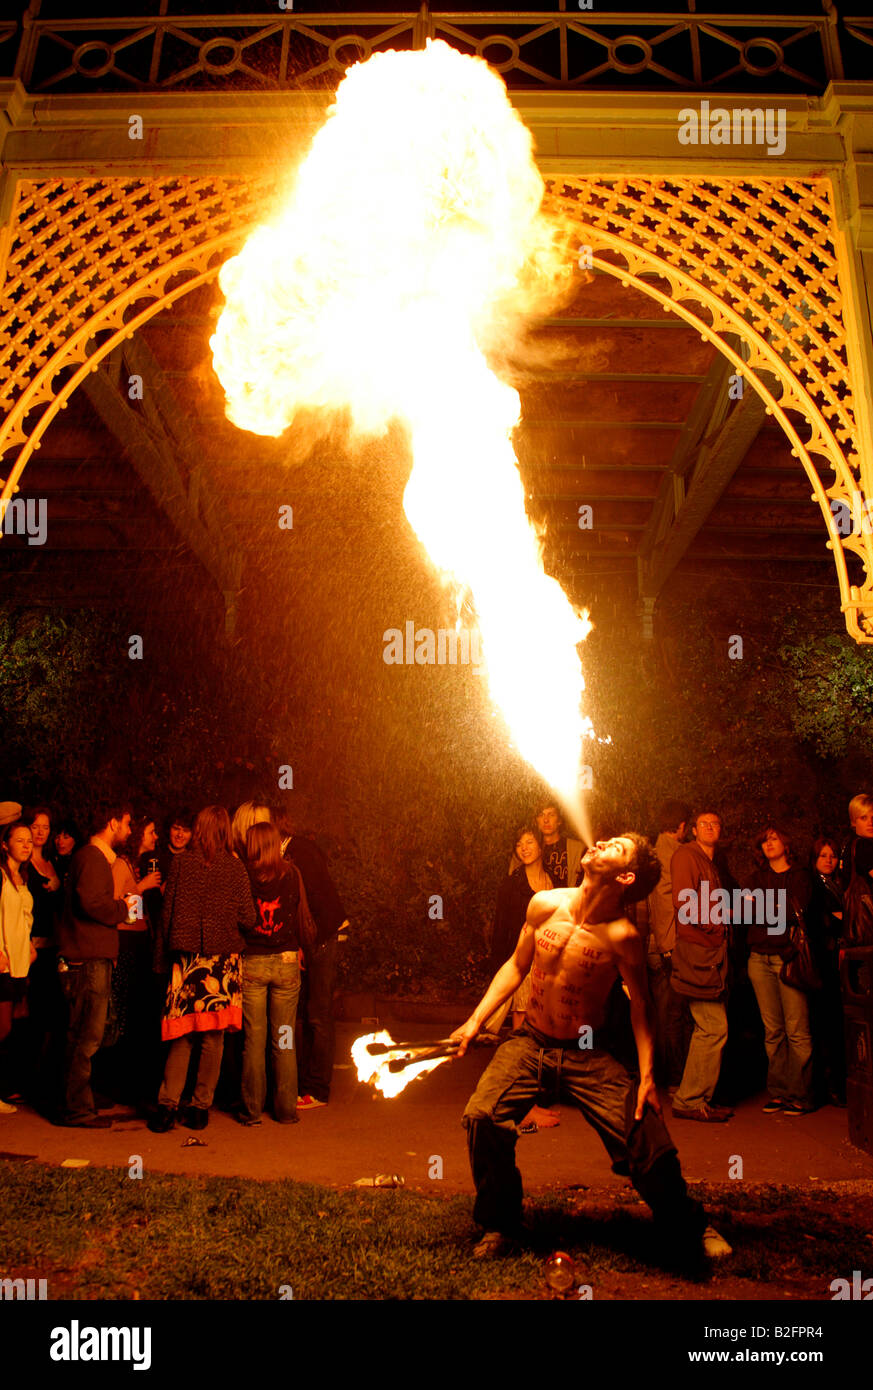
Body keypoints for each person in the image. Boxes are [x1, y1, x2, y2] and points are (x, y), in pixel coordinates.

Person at [451, 833, 731, 1265]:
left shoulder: (622, 936)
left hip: (588, 1052)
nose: (599, 842)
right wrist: (474, 1022)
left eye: (615, 847)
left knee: (644, 1134)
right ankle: (500, 1224)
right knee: (481, 1117)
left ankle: (690, 1224)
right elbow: (516, 965)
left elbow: (641, 1004)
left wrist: (648, 1078)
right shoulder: (544, 904)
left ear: (626, 875)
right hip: (532, 1043)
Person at [150, 806, 256, 1133]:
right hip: (222, 962)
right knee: (213, 1037)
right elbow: (249, 919)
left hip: (186, 961)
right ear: (225, 832)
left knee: (182, 1034)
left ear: (198, 830)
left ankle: (167, 1106)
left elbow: (166, 916)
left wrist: (160, 960)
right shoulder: (235, 868)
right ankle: (200, 1108)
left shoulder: (181, 863)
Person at [56, 803, 135, 1128]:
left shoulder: (93, 858)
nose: (129, 831)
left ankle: (80, 1097)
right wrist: (122, 909)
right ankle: (76, 1108)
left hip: (89, 956)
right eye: (127, 823)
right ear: (112, 822)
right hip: (87, 960)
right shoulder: (91, 857)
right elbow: (91, 902)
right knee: (85, 1036)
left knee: (86, 1034)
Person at [238, 821, 313, 1126]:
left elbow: (239, 917)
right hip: (285, 958)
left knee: (254, 1039)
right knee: (284, 1037)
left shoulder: (243, 873)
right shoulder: (291, 873)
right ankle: (285, 1109)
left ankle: (252, 1110)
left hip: (253, 959)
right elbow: (296, 913)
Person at [276, 807, 348, 1110]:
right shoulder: (295, 850)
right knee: (308, 1012)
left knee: (318, 1012)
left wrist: (311, 943)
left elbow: (317, 902)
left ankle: (317, 1088)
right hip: (316, 937)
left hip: (322, 936)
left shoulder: (298, 852)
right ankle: (306, 1082)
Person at [742, 826, 814, 1115]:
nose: (768, 844)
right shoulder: (755, 878)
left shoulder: (800, 876)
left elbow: (793, 912)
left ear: (786, 842)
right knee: (773, 1031)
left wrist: (763, 906)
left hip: (788, 958)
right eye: (764, 841)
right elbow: (745, 913)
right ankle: (780, 1091)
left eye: (773, 838)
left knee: (797, 1030)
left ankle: (801, 1094)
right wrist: (770, 907)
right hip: (759, 959)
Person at [669, 811, 734, 1123]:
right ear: (693, 830)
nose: (711, 827)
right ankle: (689, 1099)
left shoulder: (709, 862)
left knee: (707, 1027)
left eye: (716, 823)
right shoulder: (686, 856)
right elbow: (684, 902)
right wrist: (714, 924)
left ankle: (697, 1098)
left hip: (712, 953)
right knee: (713, 1026)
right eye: (704, 823)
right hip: (699, 953)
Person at [103, 815, 162, 1105]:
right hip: (124, 942)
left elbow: (136, 909)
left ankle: (128, 1081)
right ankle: (110, 1082)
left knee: (134, 1009)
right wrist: (144, 886)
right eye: (151, 831)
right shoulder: (120, 865)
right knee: (121, 1010)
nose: (156, 837)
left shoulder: (137, 865)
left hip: (138, 939)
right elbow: (115, 902)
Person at [646, 799, 692, 1090]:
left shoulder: (650, 852)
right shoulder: (678, 855)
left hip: (651, 944)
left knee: (661, 1012)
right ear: (683, 827)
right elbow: (670, 904)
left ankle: (661, 1075)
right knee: (677, 1014)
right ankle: (677, 1077)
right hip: (671, 943)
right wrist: (668, 946)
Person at [22, 805, 63, 1107]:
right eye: (35, 826)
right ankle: (22, 1082)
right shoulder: (23, 866)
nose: (40, 832)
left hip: (54, 948)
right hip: (31, 949)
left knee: (52, 1017)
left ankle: (42, 1081)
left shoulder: (53, 863)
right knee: (28, 1018)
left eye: (45, 827)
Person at [0, 821, 37, 1113]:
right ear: (4, 844)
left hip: (21, 959)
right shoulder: (0, 876)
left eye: (29, 841)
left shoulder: (21, 877)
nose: (26, 845)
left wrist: (30, 946)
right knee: (1, 1026)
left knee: (12, 1026)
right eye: (19, 840)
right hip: (3, 959)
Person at [808, 836, 845, 1107]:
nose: (829, 860)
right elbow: (821, 921)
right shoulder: (814, 886)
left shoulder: (840, 884)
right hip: (823, 960)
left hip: (839, 959)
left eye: (831, 855)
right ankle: (828, 1085)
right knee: (826, 1023)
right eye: (823, 855)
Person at [510, 802, 584, 889]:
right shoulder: (524, 849)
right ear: (536, 820)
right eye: (541, 815)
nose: (546, 820)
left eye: (551, 815)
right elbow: (511, 885)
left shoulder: (577, 849)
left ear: (559, 820)